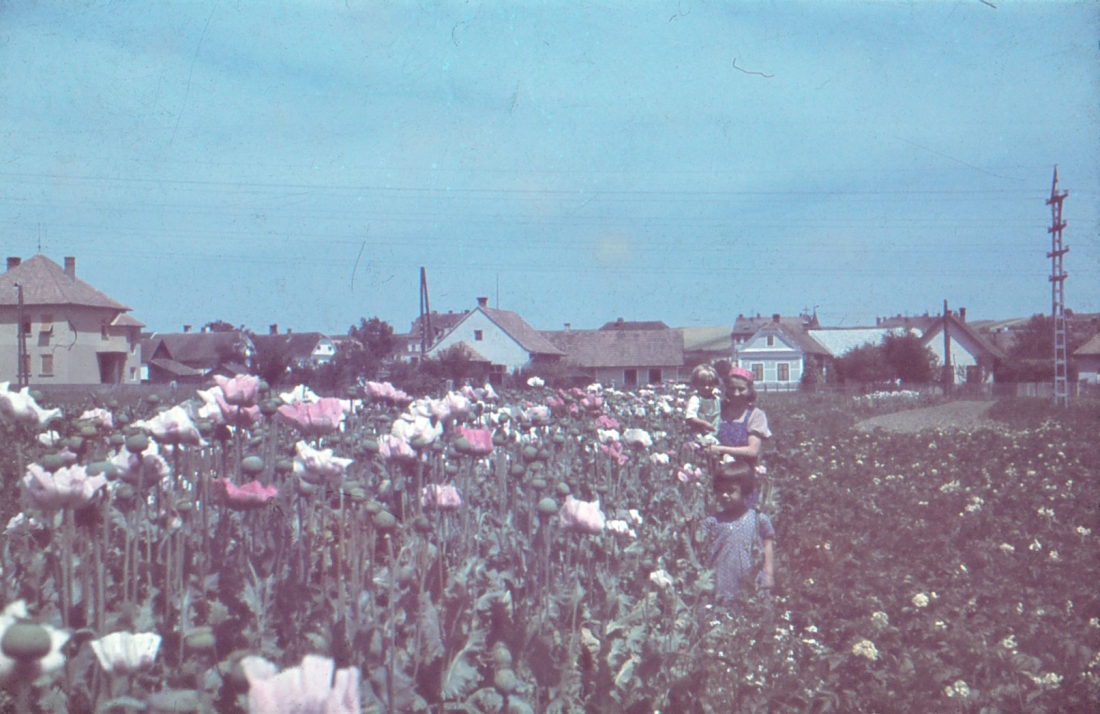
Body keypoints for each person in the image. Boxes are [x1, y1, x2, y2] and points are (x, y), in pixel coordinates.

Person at [700, 461, 775, 609]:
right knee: (721, 613)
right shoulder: (713, 522)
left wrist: (769, 574)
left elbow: (767, 544)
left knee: (751, 612)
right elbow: (701, 549)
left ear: (745, 490)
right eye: (720, 491)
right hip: (721, 579)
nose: (724, 495)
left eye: (731, 491)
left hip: (751, 578)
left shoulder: (758, 519)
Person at [707, 366, 771, 505]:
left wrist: (720, 449)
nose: (736, 393)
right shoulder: (718, 411)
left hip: (742, 480)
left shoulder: (755, 415)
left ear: (749, 391)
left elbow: (752, 451)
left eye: (741, 389)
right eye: (732, 388)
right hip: (716, 476)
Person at [684, 364, 722, 444]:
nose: (706, 387)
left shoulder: (716, 399)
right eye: (702, 385)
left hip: (715, 431)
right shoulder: (696, 399)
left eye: (710, 385)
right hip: (700, 433)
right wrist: (705, 424)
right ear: (695, 384)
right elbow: (690, 417)